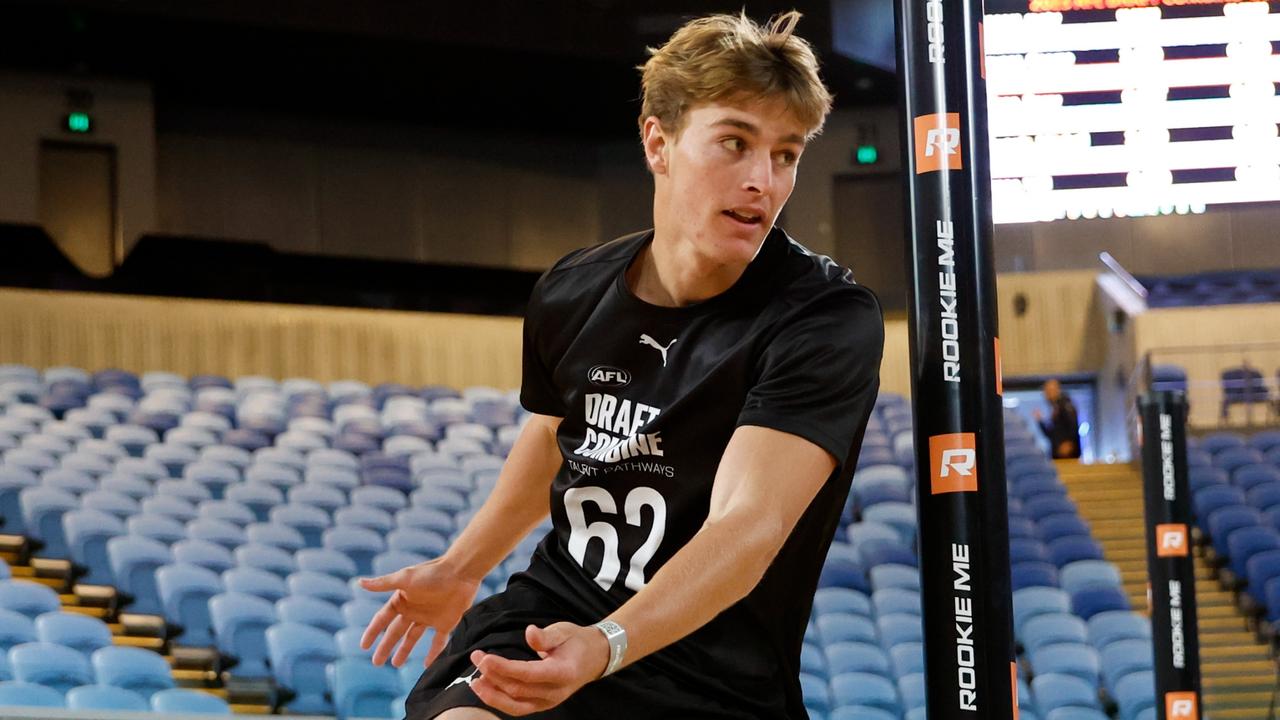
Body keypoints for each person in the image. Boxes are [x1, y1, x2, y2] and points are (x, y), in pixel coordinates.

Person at [359, 11, 884, 719]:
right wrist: (462, 568)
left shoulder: (822, 317)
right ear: (656, 142)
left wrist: (606, 643)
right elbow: (553, 437)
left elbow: (748, 523)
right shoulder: (572, 289)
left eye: (786, 154)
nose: (762, 179)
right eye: (735, 142)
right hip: (553, 616)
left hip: (711, 667)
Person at [1033, 379, 1081, 459]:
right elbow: (1051, 434)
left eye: (1049, 391)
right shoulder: (1055, 408)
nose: (1046, 395)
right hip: (1057, 454)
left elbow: (1073, 424)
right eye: (1045, 392)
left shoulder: (1065, 404)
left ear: (1056, 390)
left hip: (1068, 455)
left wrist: (1069, 443)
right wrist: (1040, 421)